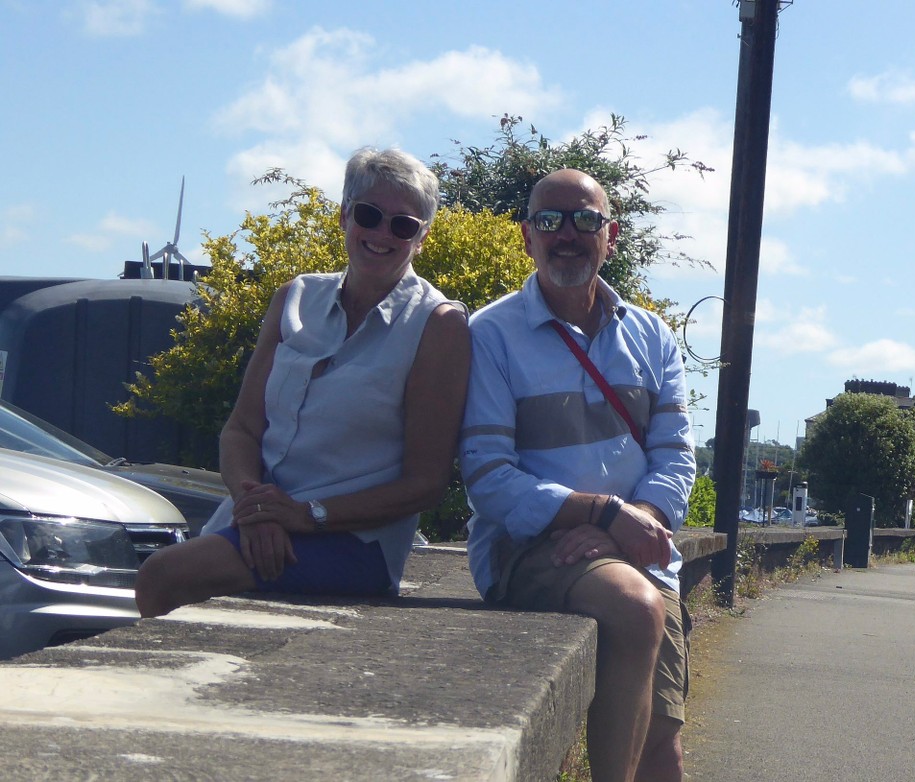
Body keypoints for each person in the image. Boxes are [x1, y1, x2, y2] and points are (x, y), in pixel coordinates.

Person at [136, 147, 470, 618]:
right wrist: (256, 508)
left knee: (162, 576)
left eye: (403, 225)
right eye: (369, 215)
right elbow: (242, 430)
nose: (381, 234)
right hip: (257, 523)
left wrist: (306, 516)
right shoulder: (294, 298)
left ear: (422, 238)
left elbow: (425, 484)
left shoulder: (437, 324)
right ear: (343, 215)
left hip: (353, 542)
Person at [460, 169, 696, 782]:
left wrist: (624, 525)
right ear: (526, 237)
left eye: (586, 220)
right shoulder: (491, 335)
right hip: (531, 545)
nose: (568, 233)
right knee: (635, 609)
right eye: (549, 220)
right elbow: (487, 476)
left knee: (662, 750)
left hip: (638, 546)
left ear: (611, 236)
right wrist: (599, 511)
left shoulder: (652, 336)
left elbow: (676, 457)